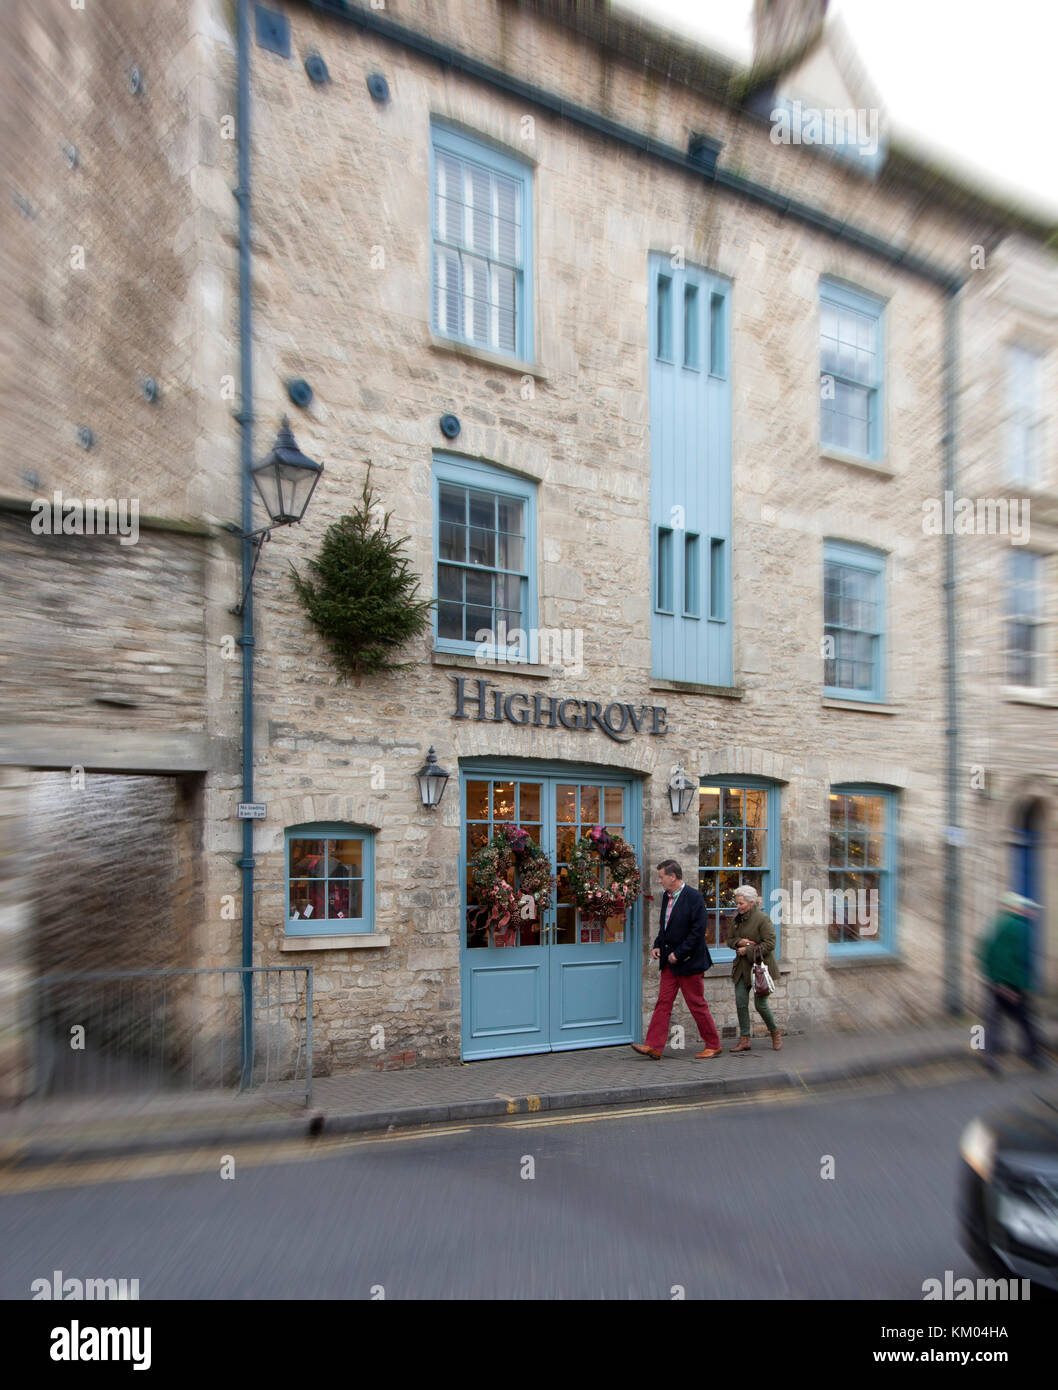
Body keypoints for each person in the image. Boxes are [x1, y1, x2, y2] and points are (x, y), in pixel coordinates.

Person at [632, 859, 722, 1060]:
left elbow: (698, 932)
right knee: (663, 1003)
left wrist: (679, 953)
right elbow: (665, 927)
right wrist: (657, 945)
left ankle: (714, 1045)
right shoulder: (667, 896)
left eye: (661, 877)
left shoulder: (694, 897)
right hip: (669, 964)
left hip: (689, 962)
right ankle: (653, 1046)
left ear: (673, 877)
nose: (659, 880)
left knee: (696, 1004)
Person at [977, 892, 1044, 1071]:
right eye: (1030, 909)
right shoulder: (1019, 927)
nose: (1034, 913)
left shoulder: (996, 924)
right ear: (1019, 909)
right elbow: (1014, 959)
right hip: (1011, 984)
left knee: (994, 1020)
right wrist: (1010, 986)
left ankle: (988, 1055)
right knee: (1025, 1020)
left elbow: (984, 950)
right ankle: (1033, 1055)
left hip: (996, 981)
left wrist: (992, 978)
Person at [727, 884, 782, 1052]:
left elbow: (771, 944)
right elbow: (729, 940)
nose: (738, 906)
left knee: (760, 1005)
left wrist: (748, 950)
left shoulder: (762, 919)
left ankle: (775, 1032)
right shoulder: (736, 919)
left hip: (761, 969)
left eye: (741, 903)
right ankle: (745, 1040)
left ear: (751, 903)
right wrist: (739, 942)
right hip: (742, 968)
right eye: (737, 903)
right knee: (741, 1002)